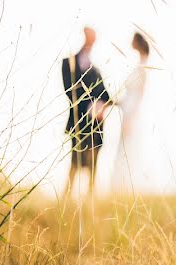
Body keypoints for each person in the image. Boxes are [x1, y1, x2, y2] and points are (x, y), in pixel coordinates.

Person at [62, 27, 112, 199]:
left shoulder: (96, 69)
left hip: (95, 124)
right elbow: (70, 90)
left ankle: (91, 198)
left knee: (93, 162)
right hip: (79, 121)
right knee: (75, 160)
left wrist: (101, 105)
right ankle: (66, 197)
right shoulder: (69, 63)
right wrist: (89, 105)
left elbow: (105, 95)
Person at [111, 32, 151, 194]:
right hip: (127, 112)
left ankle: (126, 188)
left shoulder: (142, 69)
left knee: (129, 150)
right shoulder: (138, 66)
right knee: (124, 149)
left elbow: (139, 96)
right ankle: (120, 188)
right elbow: (129, 96)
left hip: (132, 115)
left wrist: (130, 118)